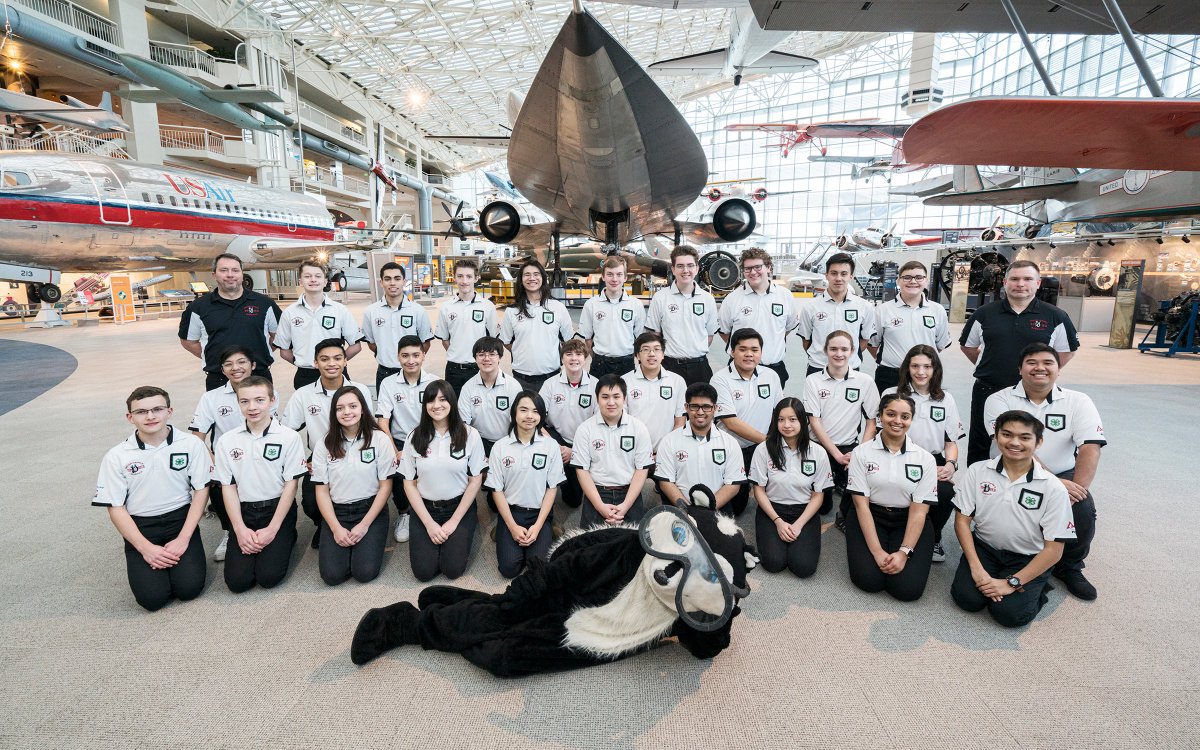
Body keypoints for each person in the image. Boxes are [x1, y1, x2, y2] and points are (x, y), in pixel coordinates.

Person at [983, 342, 1105, 600]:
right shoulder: (998, 400)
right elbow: (1015, 449)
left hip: (1064, 474)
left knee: (1082, 509)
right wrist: (1053, 484)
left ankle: (1069, 567)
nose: (1040, 368)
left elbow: (1091, 447)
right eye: (1032, 362)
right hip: (1009, 471)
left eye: (1048, 363)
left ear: (1059, 369)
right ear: (1020, 369)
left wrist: (1076, 491)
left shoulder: (1078, 401)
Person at [952, 410, 1076, 627]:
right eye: (1007, 434)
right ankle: (995, 576)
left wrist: (1012, 583)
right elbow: (962, 521)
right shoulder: (977, 471)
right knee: (967, 600)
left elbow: (1054, 549)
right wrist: (976, 568)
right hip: (985, 549)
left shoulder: (1053, 487)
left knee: (1009, 615)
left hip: (1027, 557)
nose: (1014, 442)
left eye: (1025, 437)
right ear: (996, 436)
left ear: (1039, 442)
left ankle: (1039, 583)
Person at [93, 386, 212, 611]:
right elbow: (115, 508)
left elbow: (201, 491)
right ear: (130, 417)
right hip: (142, 527)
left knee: (189, 590)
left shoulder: (191, 444)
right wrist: (145, 548)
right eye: (141, 412)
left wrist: (184, 538)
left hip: (180, 521)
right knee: (152, 600)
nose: (150, 416)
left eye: (157, 409)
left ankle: (178, 557)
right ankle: (153, 560)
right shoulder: (117, 456)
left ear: (170, 411)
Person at [961, 260, 1079, 465]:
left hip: (1033, 394)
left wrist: (1039, 374)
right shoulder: (984, 314)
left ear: (1038, 283)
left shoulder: (1055, 316)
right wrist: (991, 365)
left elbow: (1066, 352)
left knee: (1026, 440)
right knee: (982, 441)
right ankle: (977, 488)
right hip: (988, 388)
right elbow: (968, 347)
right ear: (1005, 282)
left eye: (1027, 279)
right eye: (1014, 279)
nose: (1020, 284)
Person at [214, 376, 308, 593]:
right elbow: (228, 487)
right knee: (238, 583)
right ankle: (250, 539)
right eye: (244, 401)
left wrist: (273, 529)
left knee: (269, 577)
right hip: (244, 512)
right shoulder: (227, 441)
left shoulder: (289, 437)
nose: (252, 407)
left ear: (272, 400)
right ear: (238, 403)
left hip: (277, 510)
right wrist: (238, 529)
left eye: (259, 400)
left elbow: (291, 485)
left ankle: (287, 534)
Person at [844, 393, 939, 601]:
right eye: (890, 414)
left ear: (911, 420)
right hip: (871, 514)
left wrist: (904, 552)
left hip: (907, 518)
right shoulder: (861, 453)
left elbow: (919, 511)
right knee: (869, 581)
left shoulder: (925, 459)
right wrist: (877, 551)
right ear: (880, 416)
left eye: (905, 416)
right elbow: (861, 506)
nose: (897, 421)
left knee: (907, 590)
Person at [188, 345, 278, 563]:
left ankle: (275, 527)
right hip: (227, 461)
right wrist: (215, 464)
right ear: (222, 369)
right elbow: (197, 437)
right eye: (229, 364)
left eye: (241, 362)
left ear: (253, 365)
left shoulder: (269, 392)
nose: (235, 368)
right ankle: (230, 531)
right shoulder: (211, 398)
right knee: (217, 481)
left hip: (261, 456)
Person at [280, 338, 373, 546]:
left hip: (357, 451)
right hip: (321, 456)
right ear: (315, 363)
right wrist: (301, 463)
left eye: (337, 358)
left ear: (345, 361)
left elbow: (370, 427)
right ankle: (324, 526)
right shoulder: (303, 395)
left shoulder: (359, 390)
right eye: (325, 359)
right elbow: (285, 433)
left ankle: (360, 523)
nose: (332, 363)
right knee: (311, 503)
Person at [397, 380, 487, 581]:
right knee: (424, 573)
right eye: (431, 401)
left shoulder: (470, 434)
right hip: (425, 509)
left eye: (443, 399)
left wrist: (453, 522)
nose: (436, 405)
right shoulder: (415, 436)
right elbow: (409, 484)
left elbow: (475, 481)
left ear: (452, 403)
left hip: (458, 508)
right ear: (425, 405)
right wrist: (429, 524)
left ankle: (467, 527)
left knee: (452, 570)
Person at [882, 345, 964, 563]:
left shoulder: (946, 399)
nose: (921, 372)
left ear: (935, 369)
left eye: (927, 366)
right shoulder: (891, 394)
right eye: (915, 366)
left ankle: (934, 538)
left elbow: (951, 441)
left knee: (946, 493)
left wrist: (950, 464)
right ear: (907, 368)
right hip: (896, 456)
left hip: (931, 460)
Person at [311, 386, 396, 585]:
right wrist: (335, 528)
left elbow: (385, 487)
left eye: (352, 406)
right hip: (338, 512)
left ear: (363, 409)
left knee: (364, 572)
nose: (347, 412)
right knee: (332, 576)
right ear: (334, 413)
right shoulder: (324, 443)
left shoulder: (379, 439)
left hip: (369, 511)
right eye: (340, 408)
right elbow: (322, 491)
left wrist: (364, 525)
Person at [803, 330, 880, 530]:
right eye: (834, 349)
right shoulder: (813, 381)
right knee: (823, 507)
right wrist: (836, 455)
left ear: (853, 351)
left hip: (850, 447)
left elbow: (872, 420)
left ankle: (843, 512)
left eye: (844, 349)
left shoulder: (865, 382)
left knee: (864, 489)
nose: (839, 354)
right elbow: (814, 421)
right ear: (825, 351)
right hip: (819, 447)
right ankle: (835, 480)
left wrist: (859, 453)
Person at [750, 397, 833, 578]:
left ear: (803, 421)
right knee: (773, 563)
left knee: (803, 568)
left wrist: (799, 524)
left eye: (792, 419)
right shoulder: (763, 449)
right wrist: (778, 522)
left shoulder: (817, 452)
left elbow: (818, 495)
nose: (786, 425)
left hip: (804, 510)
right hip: (772, 509)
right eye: (781, 419)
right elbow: (759, 490)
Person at [487, 391, 565, 578]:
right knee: (508, 569)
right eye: (523, 410)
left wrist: (538, 526)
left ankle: (549, 527)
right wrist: (512, 526)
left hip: (539, 514)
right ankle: (503, 529)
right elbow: (497, 491)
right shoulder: (500, 447)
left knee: (538, 568)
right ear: (514, 413)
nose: (529, 416)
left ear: (541, 416)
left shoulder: (550, 446)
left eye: (535, 411)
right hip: (512, 512)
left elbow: (552, 488)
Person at [178, 253, 280, 390]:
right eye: (224, 270)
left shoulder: (265, 303)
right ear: (214, 274)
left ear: (242, 274)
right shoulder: (198, 307)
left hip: (259, 376)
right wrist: (214, 356)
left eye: (235, 270)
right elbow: (189, 342)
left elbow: (277, 336)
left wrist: (261, 351)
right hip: (218, 378)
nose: (230, 275)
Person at [711, 327, 782, 515]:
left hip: (761, 447)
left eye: (754, 349)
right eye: (742, 349)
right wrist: (768, 441)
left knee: (778, 499)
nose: (749, 354)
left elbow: (778, 413)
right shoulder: (720, 379)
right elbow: (731, 422)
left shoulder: (771, 376)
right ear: (732, 351)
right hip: (733, 450)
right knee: (736, 508)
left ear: (761, 352)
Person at [375, 335, 437, 544]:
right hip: (400, 442)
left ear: (424, 356)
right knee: (396, 470)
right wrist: (394, 451)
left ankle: (431, 507)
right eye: (405, 356)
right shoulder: (388, 383)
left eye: (415, 355)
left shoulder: (435, 382)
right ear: (398, 358)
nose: (411, 360)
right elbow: (383, 420)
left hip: (430, 439)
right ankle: (405, 513)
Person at [571, 375, 654, 528]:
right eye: (605, 397)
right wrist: (600, 506)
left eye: (616, 396)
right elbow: (582, 471)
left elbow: (642, 470)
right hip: (597, 494)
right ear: (597, 399)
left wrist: (626, 506)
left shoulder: (638, 428)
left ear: (624, 398)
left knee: (633, 547)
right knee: (591, 547)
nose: (611, 402)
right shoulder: (585, 429)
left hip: (629, 494)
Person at [654, 383, 746, 510]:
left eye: (706, 407)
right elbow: (666, 483)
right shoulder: (669, 441)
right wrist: (687, 511)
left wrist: (707, 512)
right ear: (686, 407)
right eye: (694, 406)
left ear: (715, 408)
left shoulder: (730, 443)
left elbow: (733, 485)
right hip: (681, 509)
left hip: (717, 509)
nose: (700, 412)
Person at [274, 259, 363, 389]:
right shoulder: (289, 313)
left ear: (325, 281)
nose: (313, 280)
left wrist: (337, 362)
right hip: (305, 375)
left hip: (336, 373)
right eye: (307, 276)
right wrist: (301, 362)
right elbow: (284, 350)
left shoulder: (340, 310)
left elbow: (356, 346)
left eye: (318, 276)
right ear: (300, 281)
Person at [718, 248, 799, 386]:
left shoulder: (785, 296)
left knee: (774, 408)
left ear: (768, 267)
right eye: (748, 268)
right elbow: (725, 332)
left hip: (774, 368)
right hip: (740, 369)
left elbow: (787, 328)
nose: (753, 272)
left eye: (758, 267)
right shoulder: (732, 299)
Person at [871, 261, 950, 392]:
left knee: (923, 411)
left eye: (919, 277)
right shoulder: (883, 310)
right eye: (907, 277)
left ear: (926, 281)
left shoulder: (938, 310)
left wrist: (920, 365)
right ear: (898, 281)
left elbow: (940, 345)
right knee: (887, 411)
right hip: (890, 375)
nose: (913, 281)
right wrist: (892, 361)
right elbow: (873, 344)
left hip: (924, 376)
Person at [646, 245, 718, 385]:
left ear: (697, 268)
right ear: (673, 269)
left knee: (700, 406)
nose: (685, 270)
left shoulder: (707, 299)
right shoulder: (660, 298)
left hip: (700, 367)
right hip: (669, 366)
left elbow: (709, 336)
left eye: (690, 265)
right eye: (680, 266)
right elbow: (655, 334)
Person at [796, 252, 878, 376]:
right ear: (826, 275)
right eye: (834, 273)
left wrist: (844, 358)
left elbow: (864, 341)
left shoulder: (865, 307)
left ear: (851, 276)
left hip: (850, 369)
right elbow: (806, 341)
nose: (838, 278)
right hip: (818, 369)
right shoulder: (810, 307)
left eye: (844, 274)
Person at [538, 338, 597, 509]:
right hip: (554, 437)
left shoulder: (596, 385)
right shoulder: (550, 384)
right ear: (562, 358)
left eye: (578, 354)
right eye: (568, 354)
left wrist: (575, 451)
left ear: (585, 358)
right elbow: (535, 420)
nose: (573, 358)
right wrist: (553, 446)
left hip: (583, 442)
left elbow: (599, 426)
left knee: (573, 501)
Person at [499, 259, 574, 392]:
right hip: (521, 379)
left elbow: (568, 342)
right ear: (521, 280)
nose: (532, 278)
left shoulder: (557, 307)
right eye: (527, 275)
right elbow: (507, 342)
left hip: (552, 378)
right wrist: (524, 350)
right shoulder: (512, 311)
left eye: (536, 274)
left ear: (543, 278)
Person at [361, 262, 433, 389]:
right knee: (385, 409)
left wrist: (412, 360)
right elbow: (371, 343)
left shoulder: (418, 310)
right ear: (381, 282)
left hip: (411, 371)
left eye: (397, 278)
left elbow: (425, 343)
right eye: (387, 279)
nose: (392, 283)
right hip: (384, 372)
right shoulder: (371, 311)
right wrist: (385, 355)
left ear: (404, 282)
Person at [434, 258, 500, 395]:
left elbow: (493, 340)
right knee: (455, 411)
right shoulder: (446, 307)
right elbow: (445, 340)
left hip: (480, 368)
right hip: (454, 370)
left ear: (477, 278)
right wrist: (458, 354)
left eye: (469, 276)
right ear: (454, 278)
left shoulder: (487, 307)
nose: (464, 281)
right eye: (460, 276)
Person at [578, 256, 646, 378]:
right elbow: (587, 339)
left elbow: (640, 338)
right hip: (600, 364)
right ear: (603, 277)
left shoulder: (636, 305)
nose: (614, 279)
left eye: (619, 274)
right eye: (610, 274)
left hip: (627, 363)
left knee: (626, 397)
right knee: (599, 397)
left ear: (625, 277)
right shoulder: (591, 304)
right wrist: (599, 357)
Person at [457, 336, 523, 456]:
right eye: (481, 354)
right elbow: (464, 424)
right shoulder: (468, 387)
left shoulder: (513, 386)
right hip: (479, 443)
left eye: (492, 354)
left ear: (500, 357)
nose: (486, 359)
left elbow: (519, 423)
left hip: (508, 442)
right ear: (475, 358)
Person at [621, 331, 686, 452]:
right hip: (632, 450)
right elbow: (621, 420)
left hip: (666, 451)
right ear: (637, 355)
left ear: (663, 354)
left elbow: (680, 421)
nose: (651, 354)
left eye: (657, 349)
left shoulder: (677, 381)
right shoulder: (624, 381)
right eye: (645, 350)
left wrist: (665, 451)